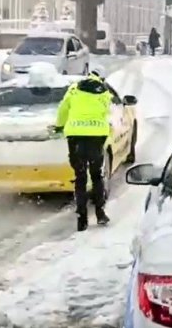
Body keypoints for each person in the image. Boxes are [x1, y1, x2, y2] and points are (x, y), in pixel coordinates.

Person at [53, 66, 113, 231]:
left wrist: (59, 126)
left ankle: (82, 218)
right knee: (96, 175)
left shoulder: (73, 89)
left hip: (75, 135)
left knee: (80, 177)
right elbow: (106, 111)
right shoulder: (104, 92)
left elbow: (63, 108)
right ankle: (100, 212)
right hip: (96, 135)